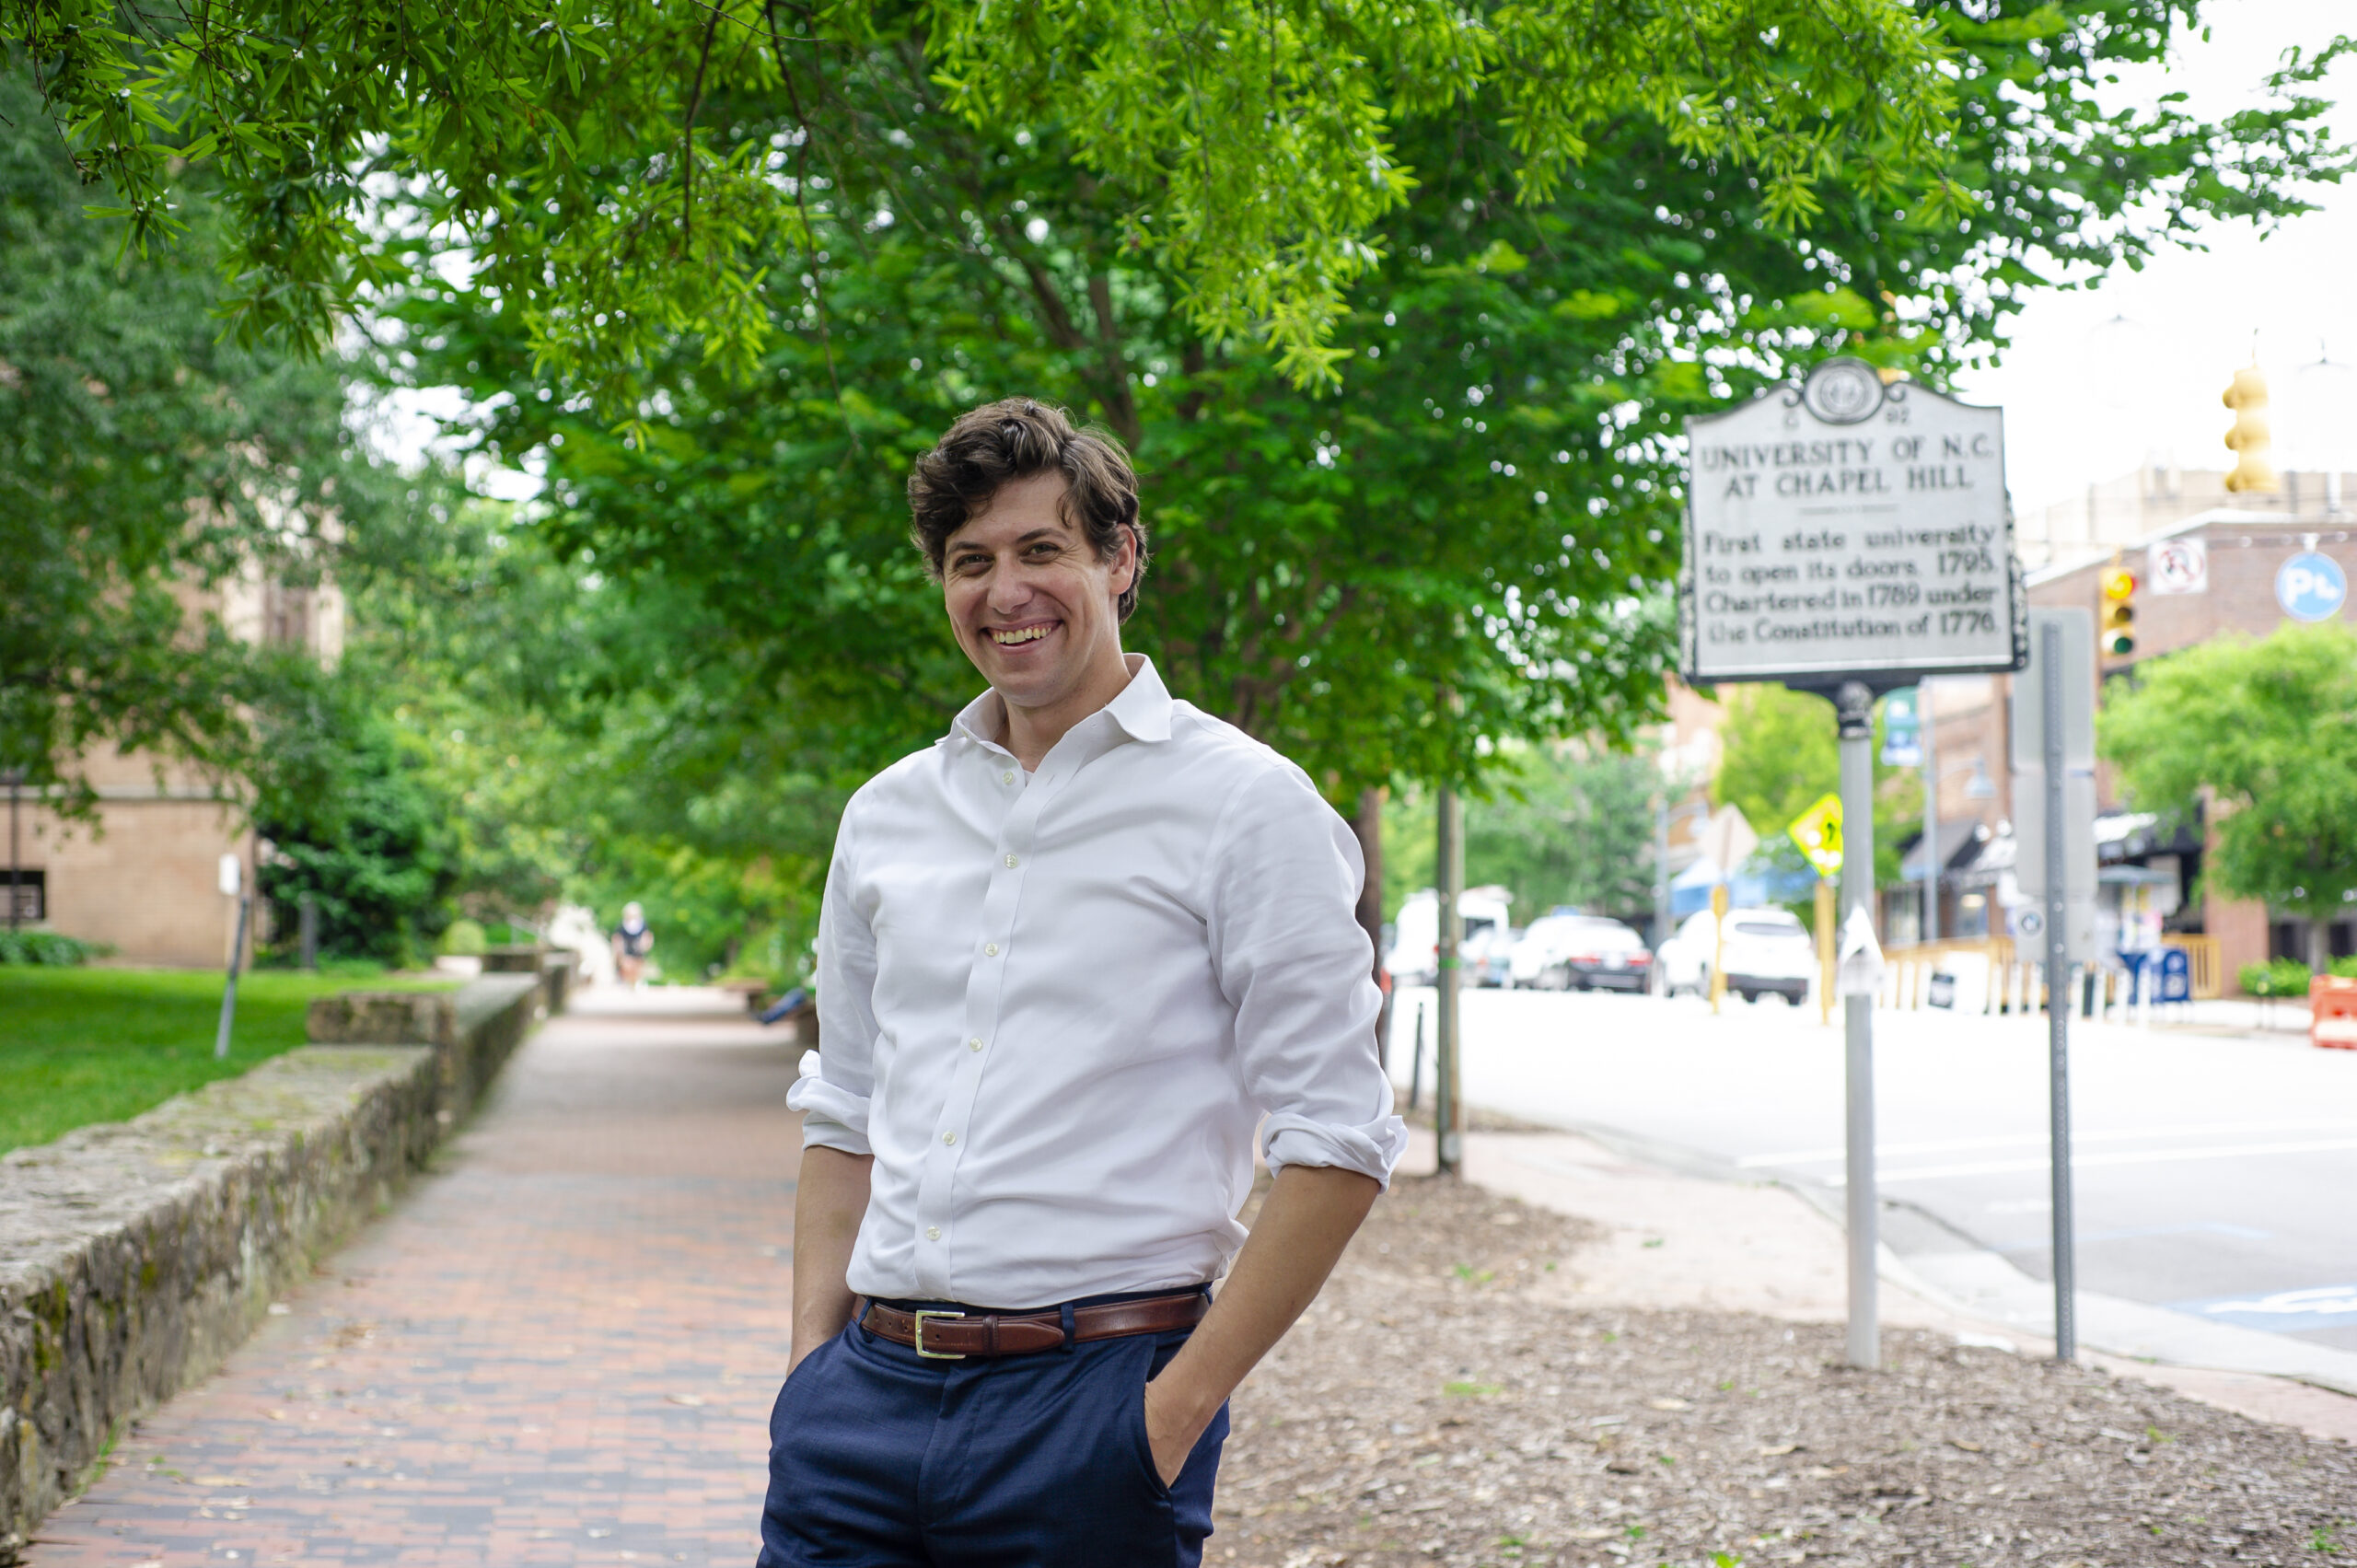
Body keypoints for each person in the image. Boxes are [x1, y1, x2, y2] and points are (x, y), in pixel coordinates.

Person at [761, 398, 1404, 1567]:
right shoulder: (887, 813)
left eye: (1040, 548)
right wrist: (810, 1368)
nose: (1004, 589)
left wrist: (1169, 1415)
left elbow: (1339, 1138)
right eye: (971, 560)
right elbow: (844, 1106)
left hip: (1096, 1408)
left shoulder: (1246, 804)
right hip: (858, 1409)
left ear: (1120, 558)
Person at [610, 901, 654, 989]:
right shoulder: (621, 926)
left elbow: (647, 936)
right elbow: (617, 938)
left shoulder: (643, 925)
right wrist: (619, 951)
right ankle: (628, 983)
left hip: (638, 951)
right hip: (625, 952)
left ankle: (636, 983)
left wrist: (645, 946)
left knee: (637, 968)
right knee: (627, 967)